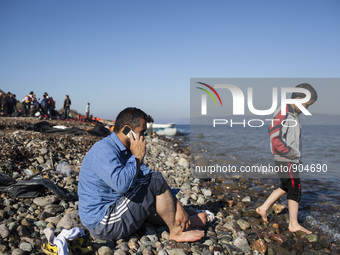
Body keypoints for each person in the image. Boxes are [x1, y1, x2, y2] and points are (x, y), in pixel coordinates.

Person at [78, 107, 207, 242]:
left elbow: (148, 174)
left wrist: (177, 204)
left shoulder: (126, 150)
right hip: (103, 223)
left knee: (152, 188)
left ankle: (182, 223)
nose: (144, 138)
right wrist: (138, 156)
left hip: (116, 209)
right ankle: (175, 231)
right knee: (154, 182)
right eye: (142, 132)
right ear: (127, 130)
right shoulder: (104, 150)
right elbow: (122, 185)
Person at [256, 83, 318, 234]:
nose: (307, 109)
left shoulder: (292, 113)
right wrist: (288, 152)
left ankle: (263, 208)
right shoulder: (284, 112)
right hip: (285, 158)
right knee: (295, 188)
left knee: (285, 186)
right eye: (306, 105)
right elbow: (273, 133)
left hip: (289, 159)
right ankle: (293, 224)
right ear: (297, 99)